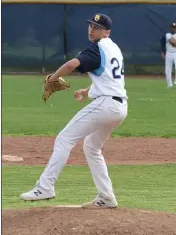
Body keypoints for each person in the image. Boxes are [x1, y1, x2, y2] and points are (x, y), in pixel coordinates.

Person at [20, 13, 128, 208]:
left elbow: (71, 64)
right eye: (91, 26)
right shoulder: (115, 48)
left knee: (64, 138)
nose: (92, 29)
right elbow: (111, 80)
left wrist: (53, 77)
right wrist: (87, 91)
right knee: (91, 147)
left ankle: (45, 186)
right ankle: (106, 197)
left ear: (107, 32)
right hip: (119, 107)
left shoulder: (96, 47)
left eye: (96, 27)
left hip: (105, 106)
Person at [160, 23, 176, 88]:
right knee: (168, 70)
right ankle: (169, 84)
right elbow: (162, 43)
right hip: (168, 53)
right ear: (170, 28)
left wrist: (173, 43)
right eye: (172, 27)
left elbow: (173, 44)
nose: (173, 28)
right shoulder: (167, 35)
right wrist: (162, 52)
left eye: (174, 27)